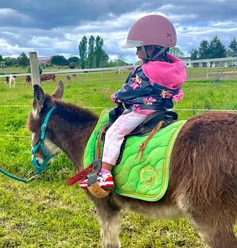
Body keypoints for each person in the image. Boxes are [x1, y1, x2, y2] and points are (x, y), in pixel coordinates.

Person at [79, 14, 187, 190]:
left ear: (151, 49)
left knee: (115, 132)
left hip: (141, 110)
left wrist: (116, 96)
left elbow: (129, 90)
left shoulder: (146, 71)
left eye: (139, 48)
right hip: (161, 110)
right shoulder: (173, 69)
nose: (136, 52)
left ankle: (105, 174)